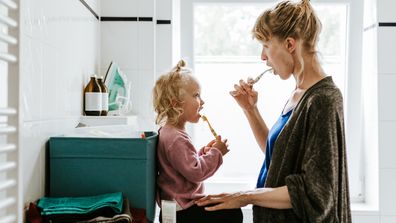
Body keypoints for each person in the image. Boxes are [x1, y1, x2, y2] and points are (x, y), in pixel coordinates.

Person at [196, 0, 352, 222]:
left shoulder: (323, 100)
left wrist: (245, 196)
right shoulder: (299, 94)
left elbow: (317, 191)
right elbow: (279, 156)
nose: (262, 56)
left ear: (290, 44)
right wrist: (250, 110)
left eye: (266, 45)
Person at [152, 60, 243, 223]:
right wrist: (216, 153)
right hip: (182, 213)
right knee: (233, 213)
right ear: (175, 103)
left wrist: (203, 153)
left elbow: (183, 165)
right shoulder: (175, 137)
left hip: (176, 209)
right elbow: (196, 172)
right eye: (196, 95)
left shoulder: (171, 132)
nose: (202, 101)